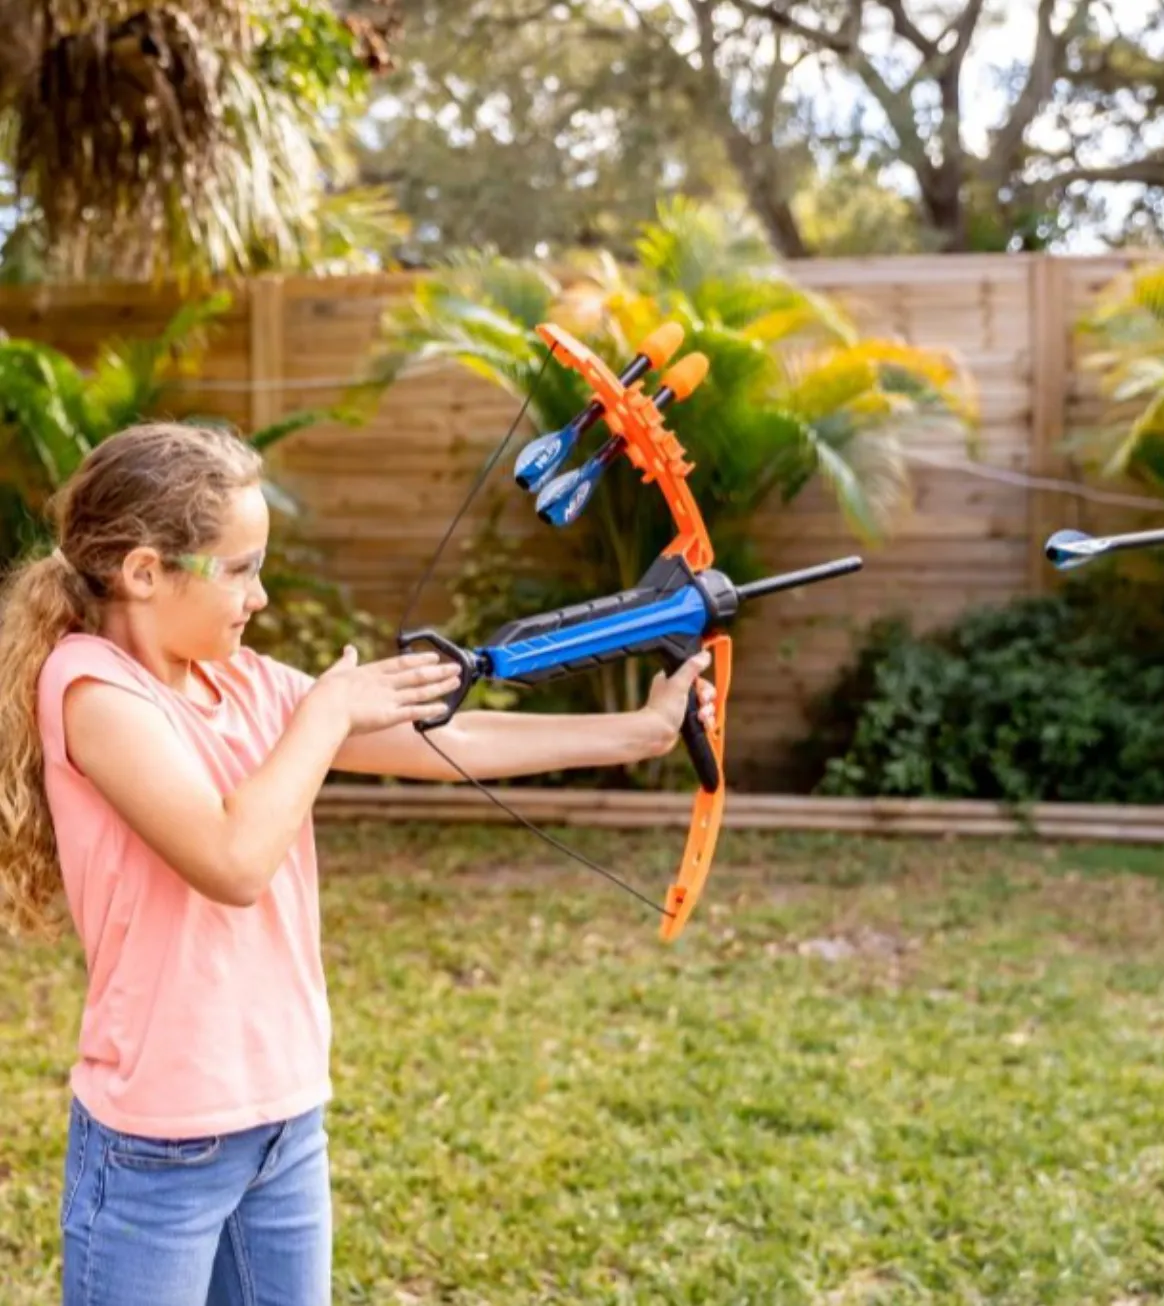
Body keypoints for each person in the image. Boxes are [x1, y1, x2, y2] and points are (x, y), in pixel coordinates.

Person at [0, 422, 715, 1306]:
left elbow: (444, 739)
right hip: (157, 1149)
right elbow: (232, 860)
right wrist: (326, 714)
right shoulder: (95, 690)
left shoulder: (249, 683)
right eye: (239, 568)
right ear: (144, 572)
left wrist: (636, 733)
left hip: (284, 1120)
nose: (259, 596)